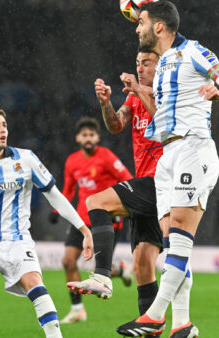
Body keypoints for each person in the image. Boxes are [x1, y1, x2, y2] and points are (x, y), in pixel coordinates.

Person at [115, 1, 219, 337]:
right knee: (171, 246)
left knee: (180, 235)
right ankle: (183, 324)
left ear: (159, 27)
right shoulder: (161, 65)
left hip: (194, 148)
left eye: (141, 21)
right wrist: (138, 90)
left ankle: (155, 314)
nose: (136, 28)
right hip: (167, 156)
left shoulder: (195, 52)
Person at [0, 109, 93, 338]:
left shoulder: (25, 159)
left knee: (35, 283)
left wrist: (83, 228)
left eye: (5, 125)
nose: (3, 130)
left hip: (19, 239)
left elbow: (55, 195)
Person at [67, 47, 164, 333]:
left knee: (96, 201)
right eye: (138, 64)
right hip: (147, 181)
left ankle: (102, 276)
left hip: (163, 180)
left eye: (147, 63)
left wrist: (140, 90)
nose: (141, 68)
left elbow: (168, 123)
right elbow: (115, 125)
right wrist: (106, 103)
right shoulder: (134, 97)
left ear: (161, 67)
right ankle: (153, 329)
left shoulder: (167, 93)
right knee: (142, 265)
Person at [54, 117, 133, 324]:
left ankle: (121, 270)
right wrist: (56, 211)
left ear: (97, 137)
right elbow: (69, 189)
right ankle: (77, 309)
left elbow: (127, 178)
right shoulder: (72, 161)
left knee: (101, 267)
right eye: (84, 135)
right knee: (68, 261)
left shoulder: (106, 157)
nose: (88, 138)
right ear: (78, 138)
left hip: (105, 218)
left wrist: (123, 205)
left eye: (92, 135)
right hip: (80, 218)